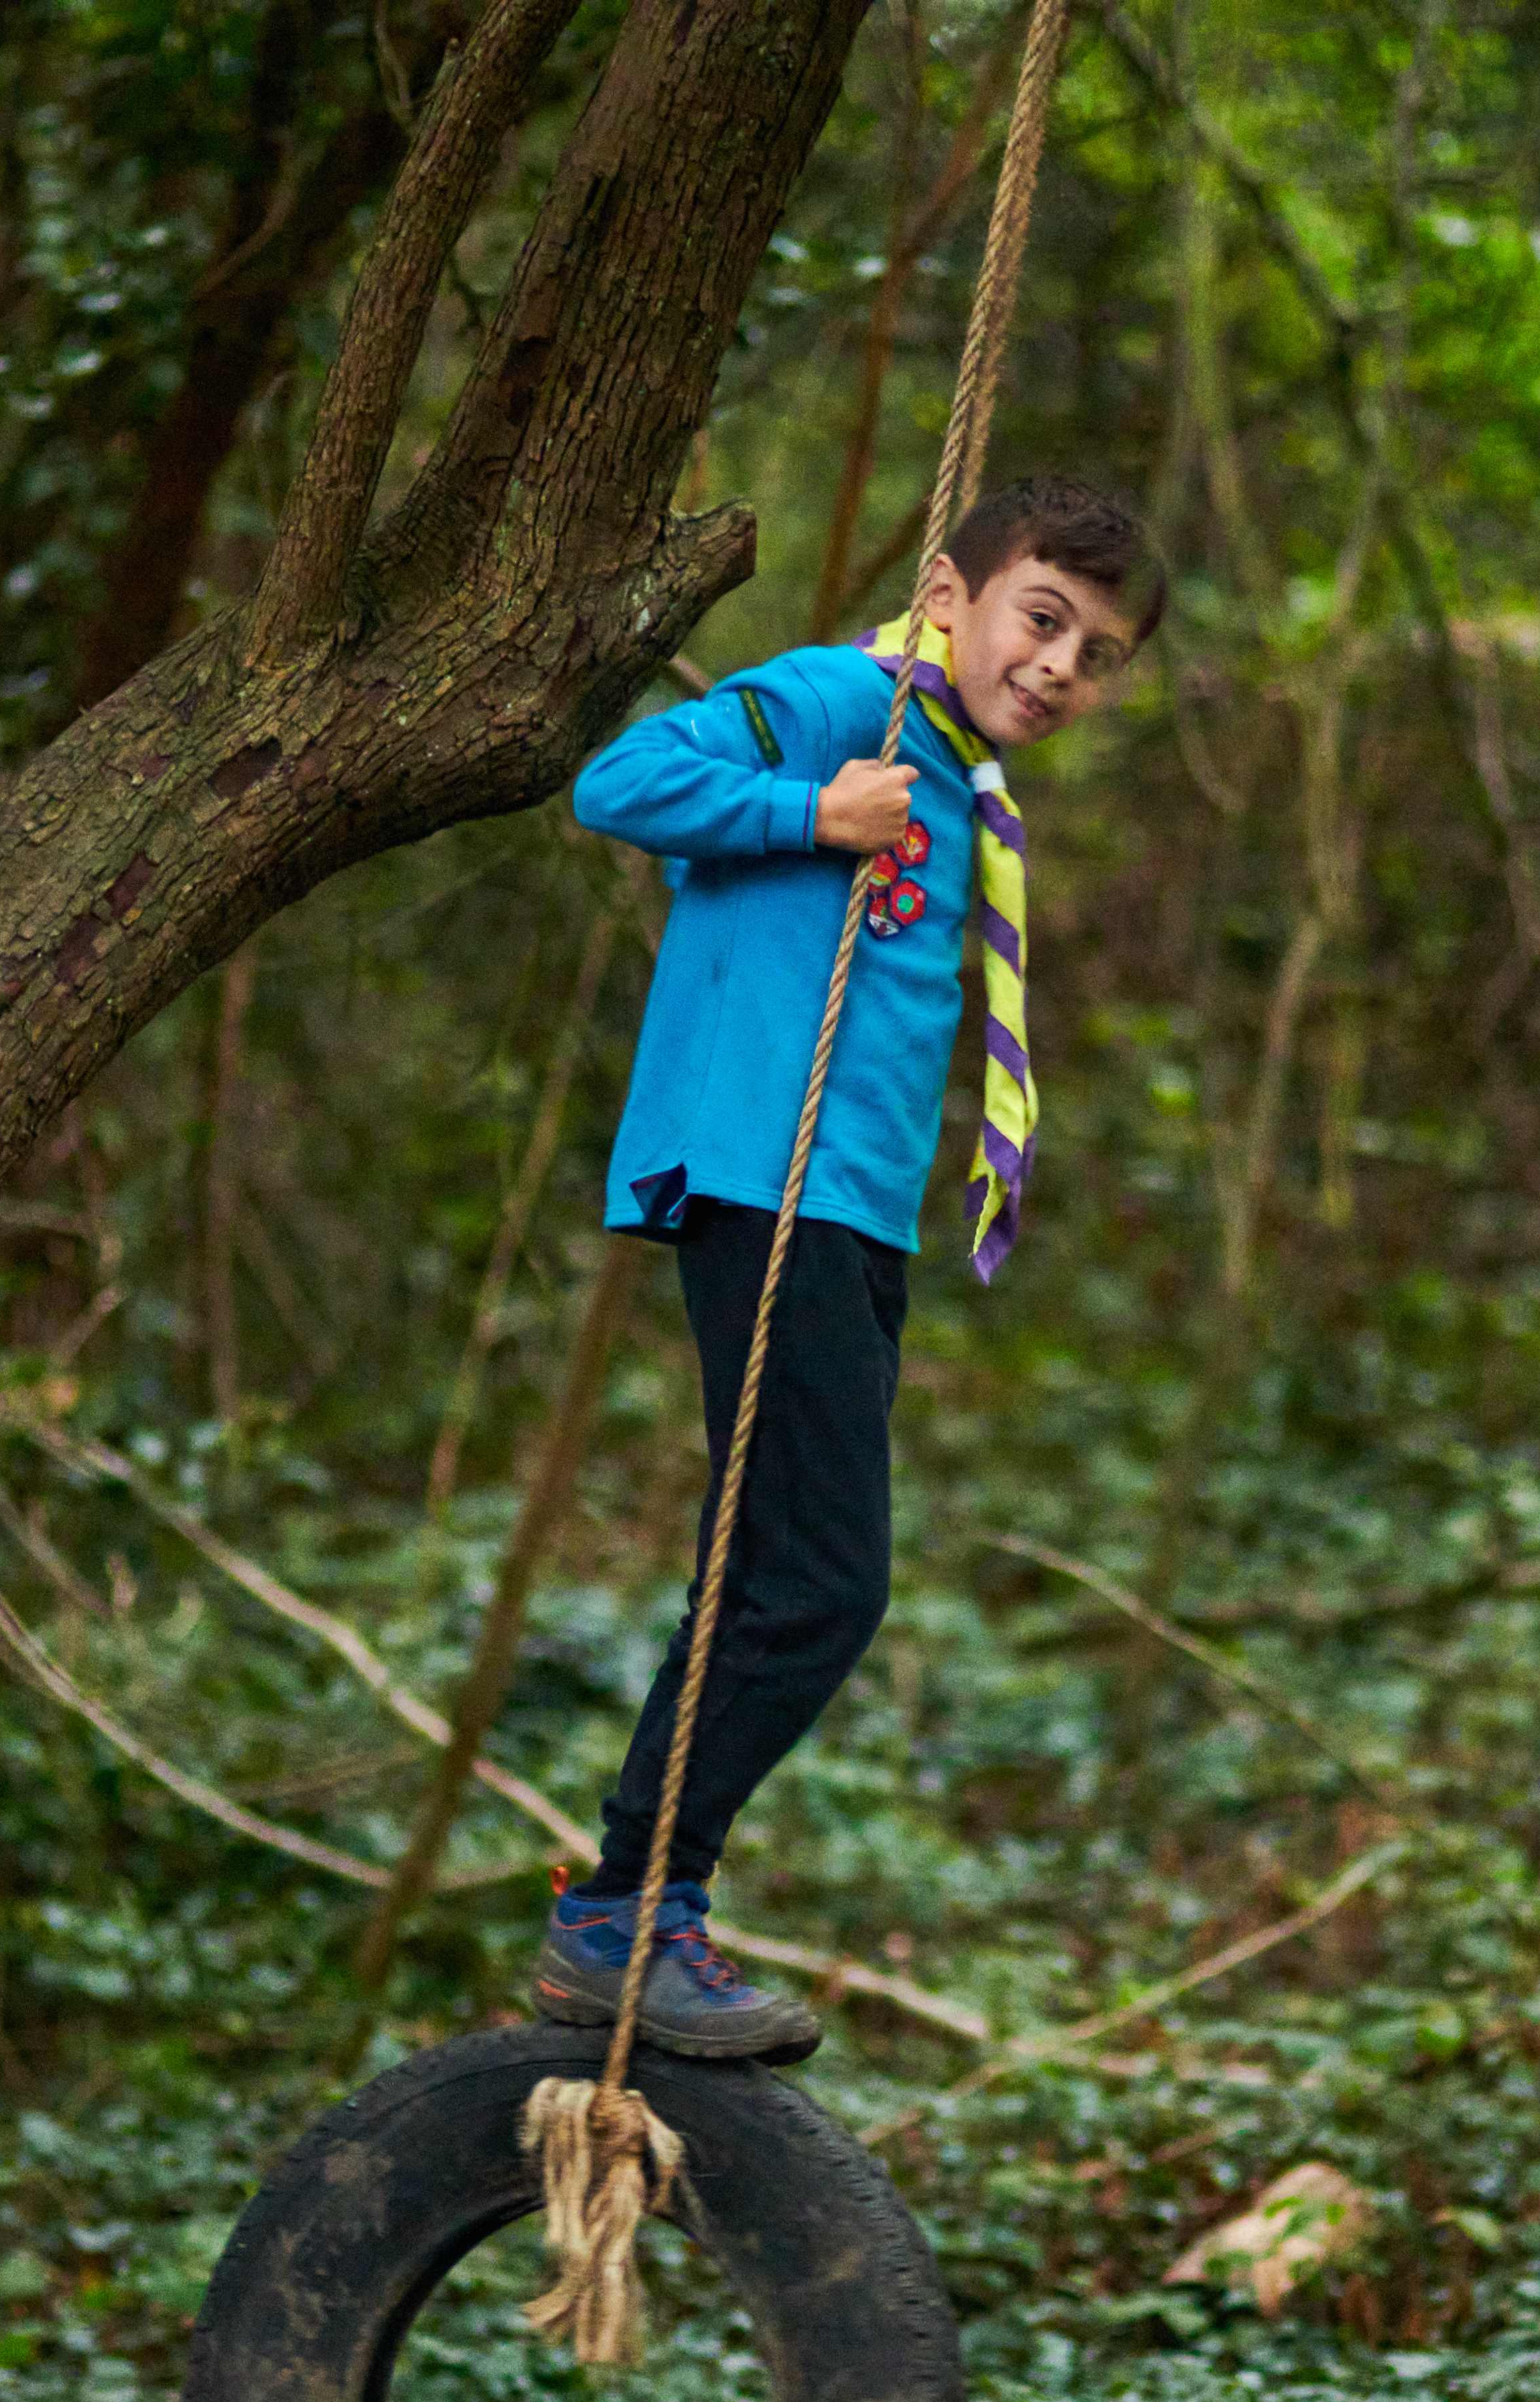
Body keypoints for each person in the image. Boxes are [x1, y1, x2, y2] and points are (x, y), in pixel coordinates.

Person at [530, 475, 1166, 2055]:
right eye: (1041, 619)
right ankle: (625, 1907)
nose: (1056, 668)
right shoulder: (843, 700)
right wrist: (810, 814)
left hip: (852, 1214)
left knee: (766, 1574)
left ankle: (639, 1910)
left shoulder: (962, 786)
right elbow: (619, 779)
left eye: (1093, 655)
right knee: (821, 1582)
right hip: (764, 1173)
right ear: (948, 598)